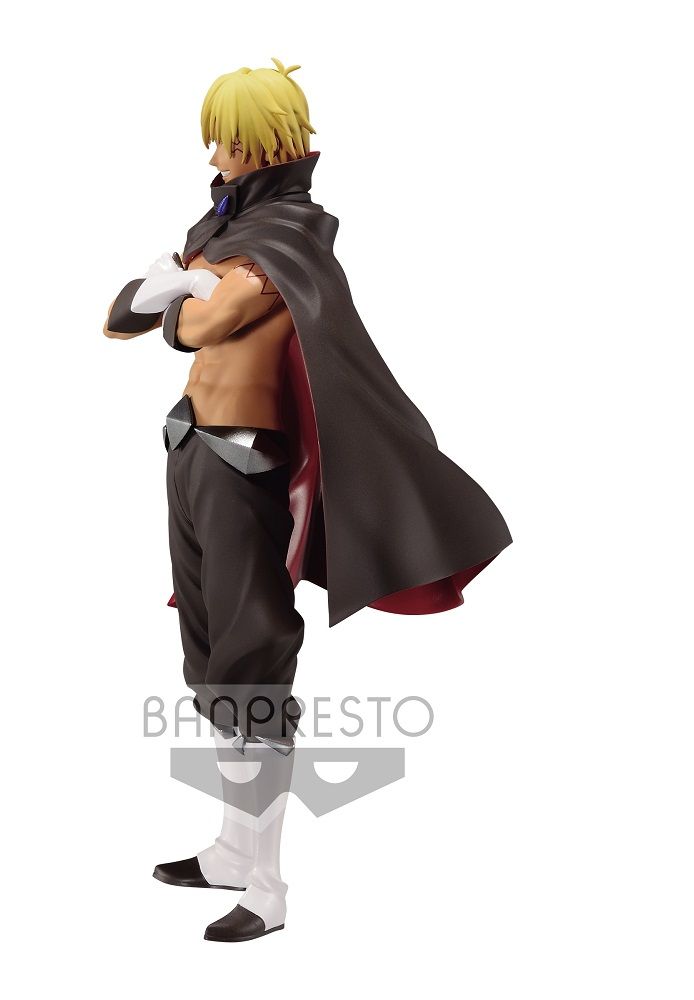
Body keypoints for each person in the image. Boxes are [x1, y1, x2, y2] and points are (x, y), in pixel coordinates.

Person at [104, 58, 512, 942]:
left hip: (246, 461)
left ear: (263, 143)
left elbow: (207, 323)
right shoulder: (222, 229)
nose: (214, 153)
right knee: (209, 659)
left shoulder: (289, 233)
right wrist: (180, 286)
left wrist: (178, 287)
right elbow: (116, 317)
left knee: (252, 659)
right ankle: (229, 848)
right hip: (189, 449)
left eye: (227, 138)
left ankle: (267, 886)